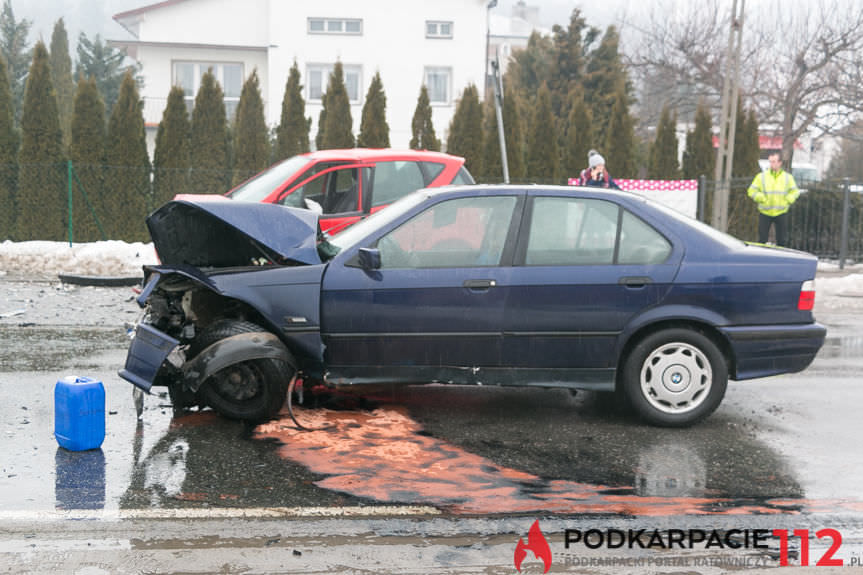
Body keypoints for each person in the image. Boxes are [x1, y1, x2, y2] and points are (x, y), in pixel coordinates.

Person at [747, 152, 799, 246]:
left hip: (781, 211)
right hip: (765, 211)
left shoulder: (787, 178)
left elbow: (795, 192)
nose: (771, 164)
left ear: (780, 163)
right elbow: (751, 190)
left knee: (782, 240)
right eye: (770, 162)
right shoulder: (761, 177)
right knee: (762, 239)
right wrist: (761, 198)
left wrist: (788, 200)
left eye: (774, 161)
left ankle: (782, 259)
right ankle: (761, 258)